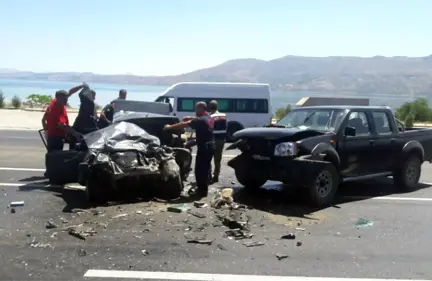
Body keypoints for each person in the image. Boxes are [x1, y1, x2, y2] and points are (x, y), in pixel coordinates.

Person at [163, 101, 215, 197]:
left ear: (201, 109)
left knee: (200, 171)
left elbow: (185, 124)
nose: (195, 111)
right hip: (210, 146)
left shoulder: (200, 121)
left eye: (196, 109)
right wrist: (191, 118)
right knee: (206, 169)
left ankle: (201, 192)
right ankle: (204, 189)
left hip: (204, 148)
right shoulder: (208, 117)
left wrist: (169, 127)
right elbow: (198, 119)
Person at [41, 84, 85, 152]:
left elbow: (43, 119)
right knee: (58, 158)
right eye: (64, 99)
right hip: (56, 138)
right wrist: (75, 133)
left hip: (53, 135)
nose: (66, 101)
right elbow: (62, 125)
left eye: (66, 99)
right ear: (59, 98)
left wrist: (80, 86)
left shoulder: (56, 101)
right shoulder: (55, 109)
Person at [208, 100, 227, 183]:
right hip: (222, 140)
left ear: (210, 107)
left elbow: (210, 129)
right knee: (217, 159)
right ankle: (216, 175)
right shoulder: (224, 115)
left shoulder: (211, 116)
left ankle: (208, 175)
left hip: (213, 139)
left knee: (208, 158)